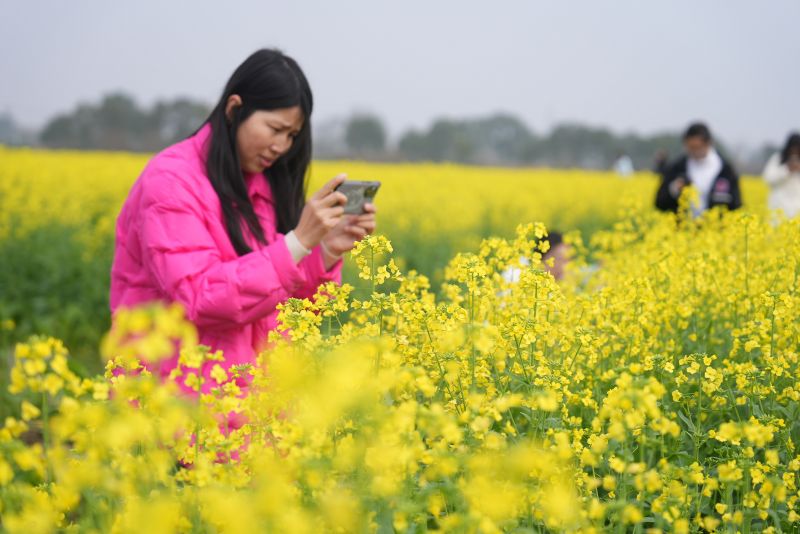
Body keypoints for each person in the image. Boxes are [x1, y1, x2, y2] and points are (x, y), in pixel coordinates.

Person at [110, 49, 376, 393]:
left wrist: (323, 250)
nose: (282, 146)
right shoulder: (171, 182)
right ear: (235, 109)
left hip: (244, 405)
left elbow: (280, 308)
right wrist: (296, 243)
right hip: (170, 404)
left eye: (292, 135)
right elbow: (200, 298)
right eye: (275, 129)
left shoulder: (260, 188)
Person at [655, 122, 741, 215]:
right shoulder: (677, 168)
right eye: (690, 148)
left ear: (708, 143)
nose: (694, 152)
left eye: (697, 147)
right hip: (684, 227)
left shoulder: (725, 170)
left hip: (717, 227)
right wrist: (674, 189)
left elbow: (736, 205)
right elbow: (659, 202)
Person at [762, 132, 800, 218]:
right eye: (792, 149)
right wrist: (787, 169)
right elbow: (768, 179)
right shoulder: (778, 159)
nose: (795, 152)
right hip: (778, 207)